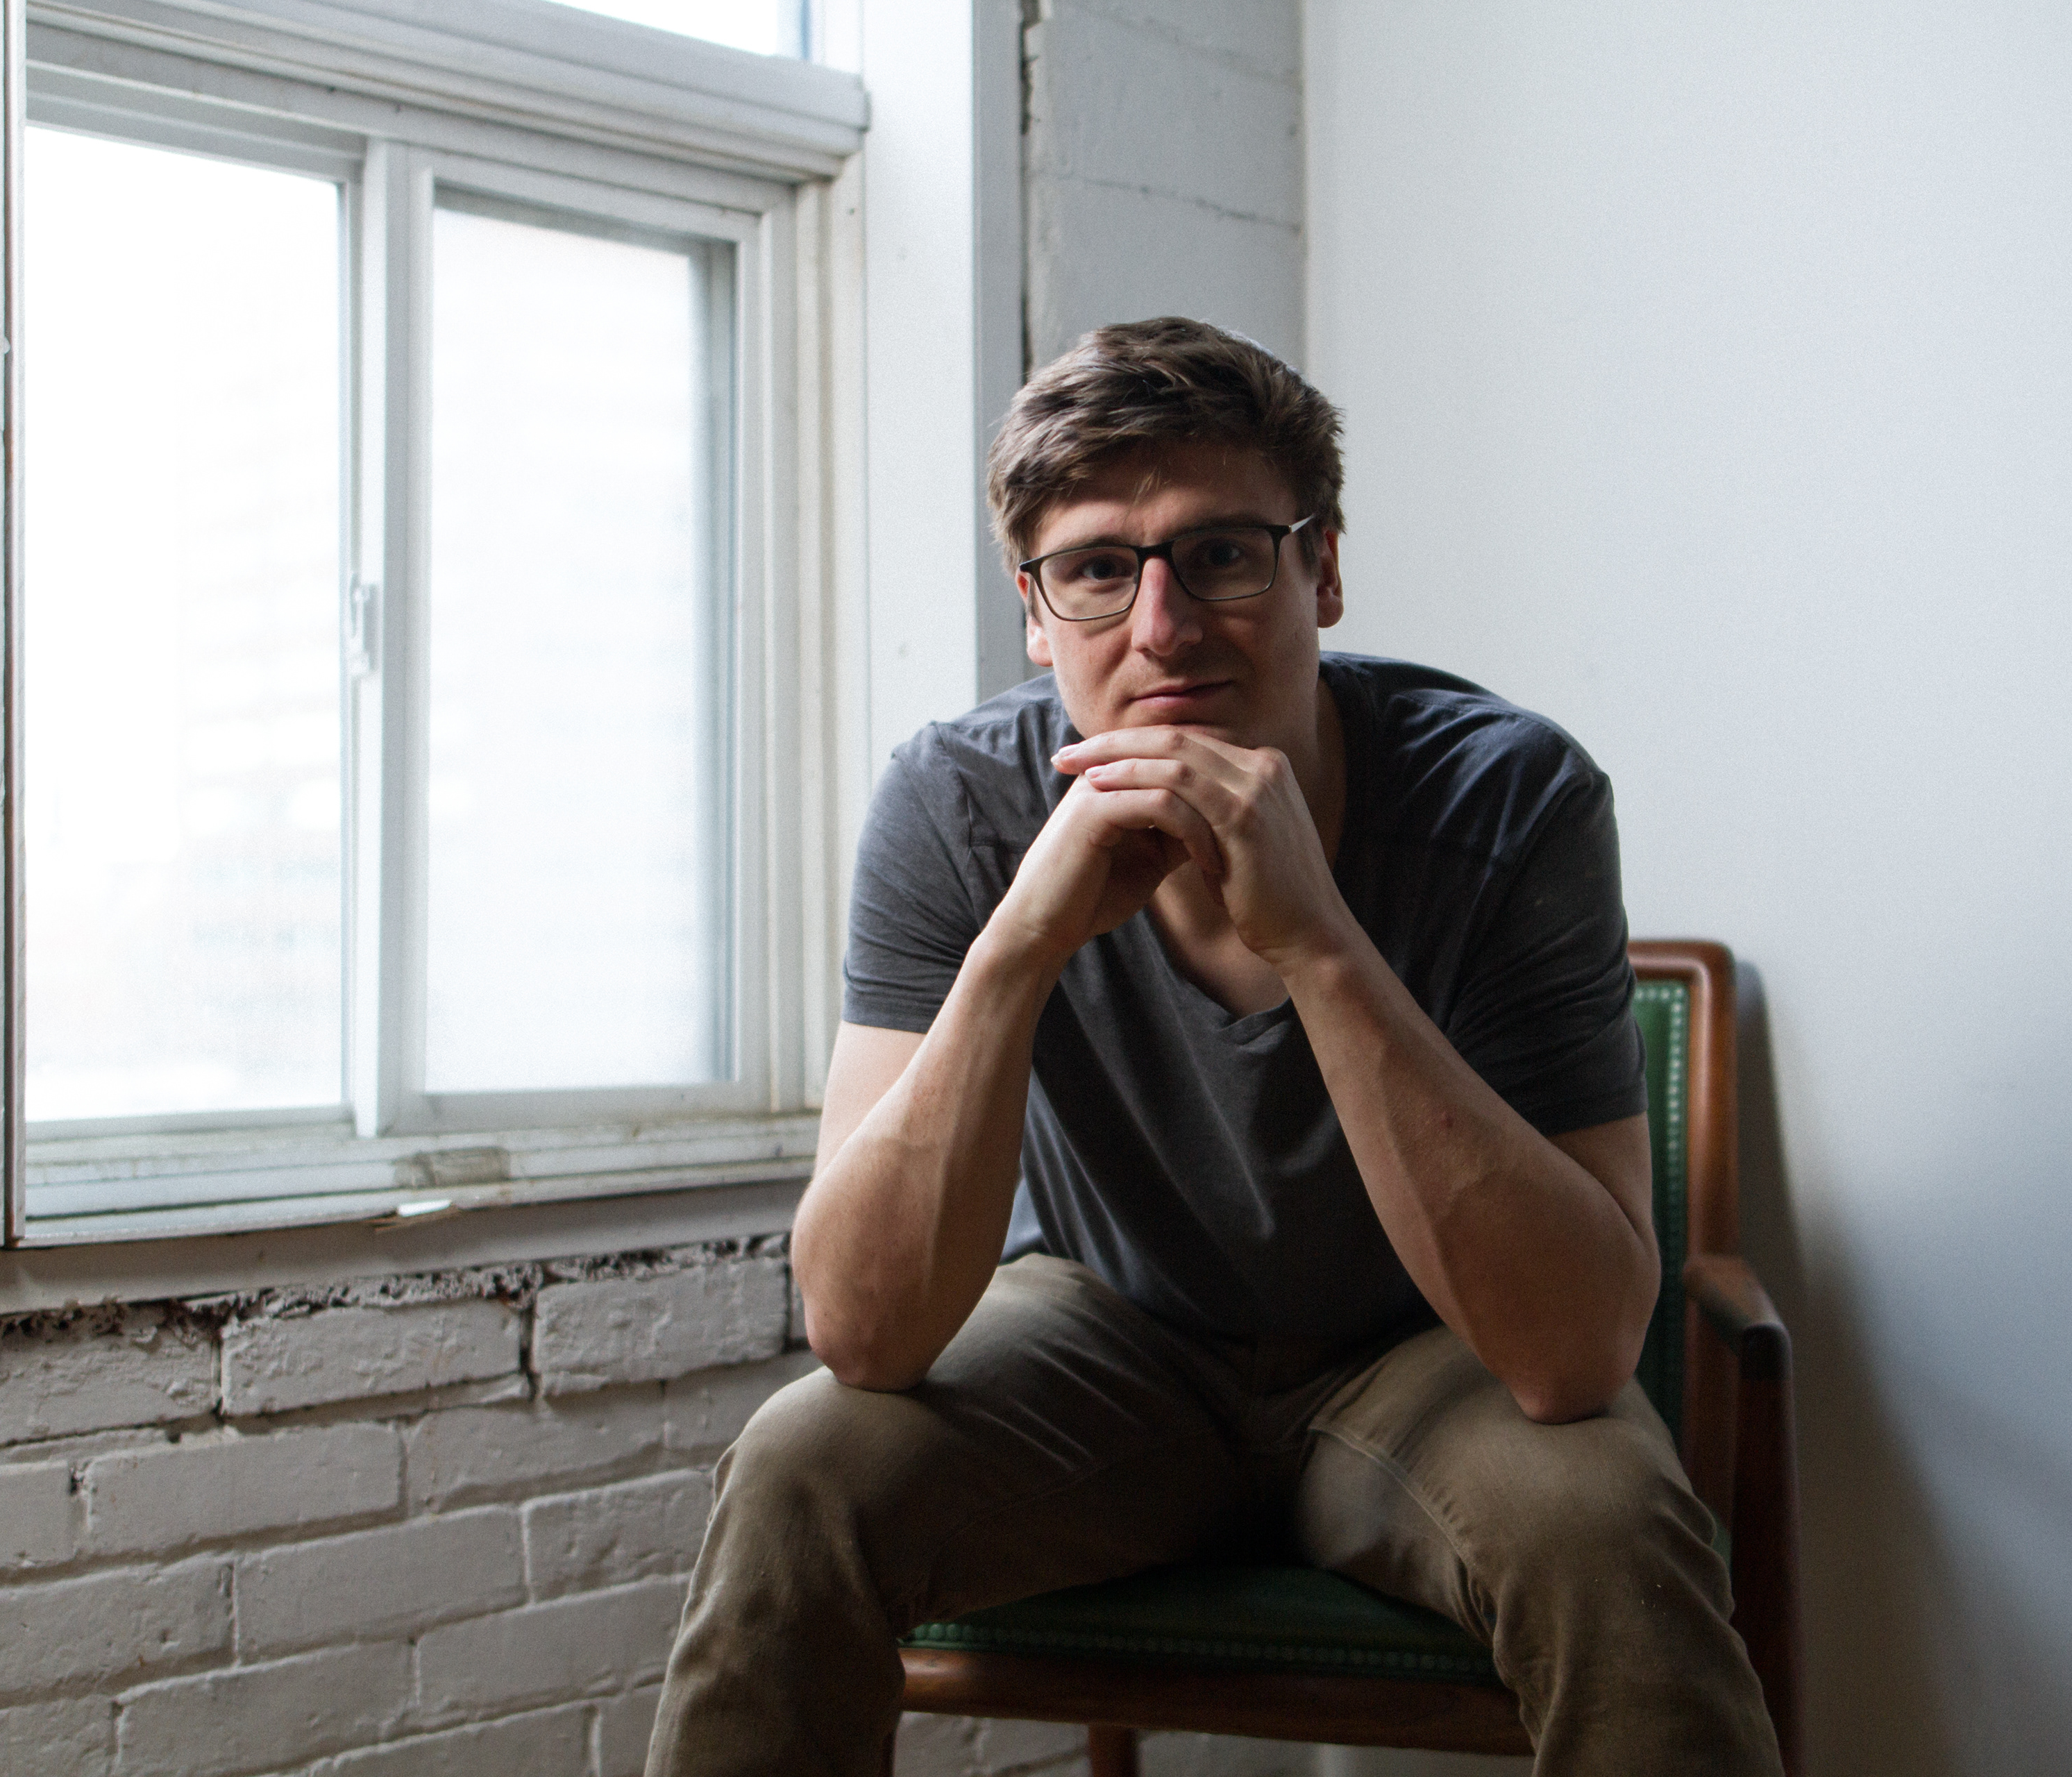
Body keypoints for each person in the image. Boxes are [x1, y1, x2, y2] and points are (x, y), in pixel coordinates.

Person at [642, 318, 1783, 1777]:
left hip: (1428, 1359)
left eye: (1223, 554)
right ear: (1035, 610)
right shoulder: (955, 803)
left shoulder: (1509, 796)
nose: (1163, 627)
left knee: (1607, 1521)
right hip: (1105, 1338)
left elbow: (1573, 1353)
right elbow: (865, 1330)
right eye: (1097, 570)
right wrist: (1020, 944)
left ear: (1324, 570)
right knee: (802, 1468)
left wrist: (1319, 939)